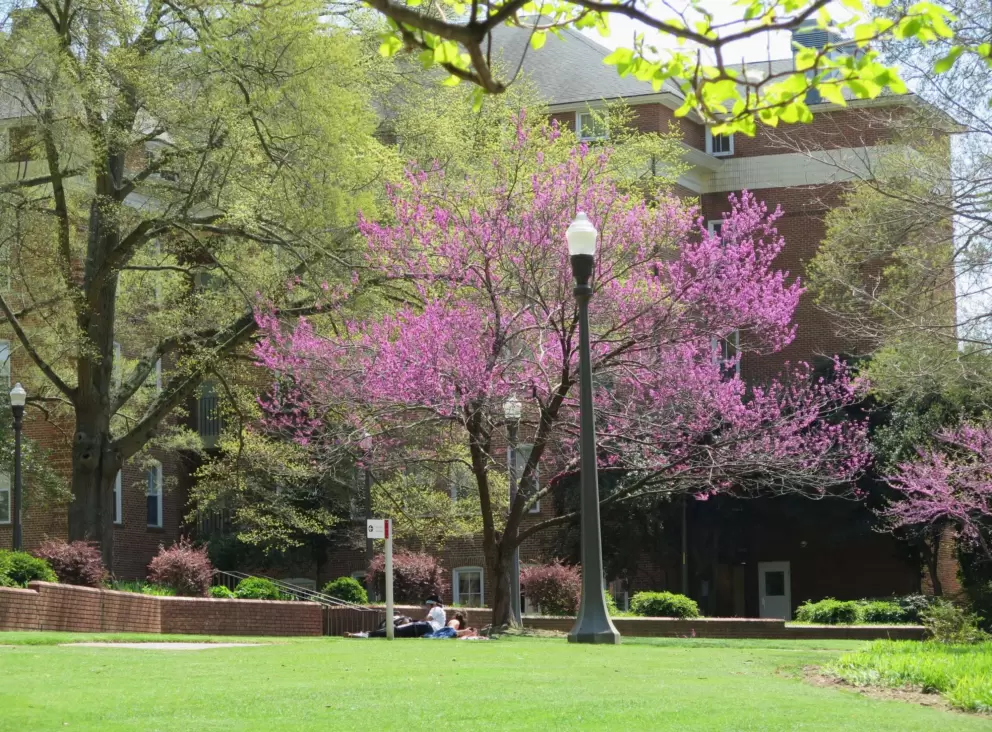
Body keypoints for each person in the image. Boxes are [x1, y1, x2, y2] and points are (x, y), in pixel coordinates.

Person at [349, 595, 446, 638]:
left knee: (396, 630)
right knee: (399, 633)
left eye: (427, 604)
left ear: (432, 604)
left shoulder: (436, 608)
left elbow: (427, 619)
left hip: (426, 627)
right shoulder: (442, 613)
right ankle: (368, 634)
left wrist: (413, 622)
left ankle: (367, 634)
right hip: (430, 630)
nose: (427, 606)